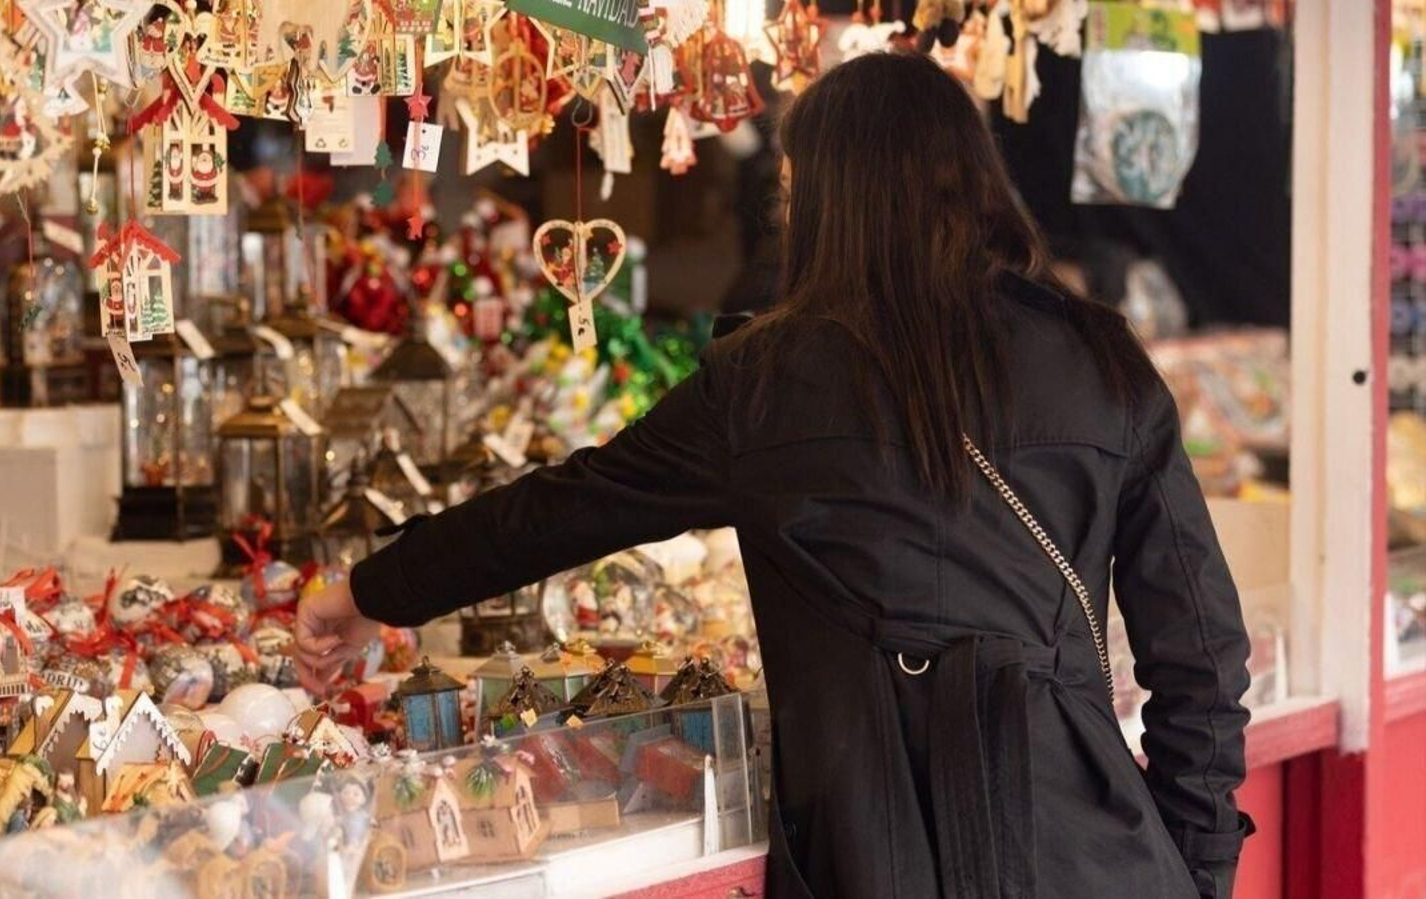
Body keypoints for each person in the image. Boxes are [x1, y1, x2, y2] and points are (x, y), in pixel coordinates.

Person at [296, 51, 1253, 898]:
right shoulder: (1101, 363)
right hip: (1099, 856)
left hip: (868, 859)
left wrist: (370, 592)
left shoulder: (762, 385)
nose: (784, 207)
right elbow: (1201, 656)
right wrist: (1194, 862)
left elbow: (559, 508)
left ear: (836, 200)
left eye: (794, 187)